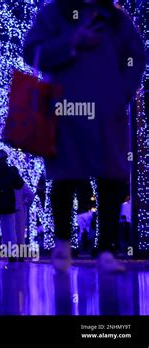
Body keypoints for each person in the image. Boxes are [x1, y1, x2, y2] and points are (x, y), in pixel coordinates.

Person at [23, 0, 145, 271]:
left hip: (107, 112)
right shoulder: (55, 13)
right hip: (65, 109)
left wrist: (122, 91)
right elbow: (31, 52)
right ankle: (63, 243)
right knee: (65, 177)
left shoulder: (115, 19)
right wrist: (71, 42)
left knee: (110, 179)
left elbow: (136, 55)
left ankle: (106, 250)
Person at [14, 181, 35, 261]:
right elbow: (31, 195)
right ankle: (21, 256)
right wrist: (26, 203)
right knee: (20, 233)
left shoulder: (8, 183)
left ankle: (12, 254)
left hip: (10, 211)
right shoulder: (21, 184)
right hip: (20, 210)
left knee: (12, 233)